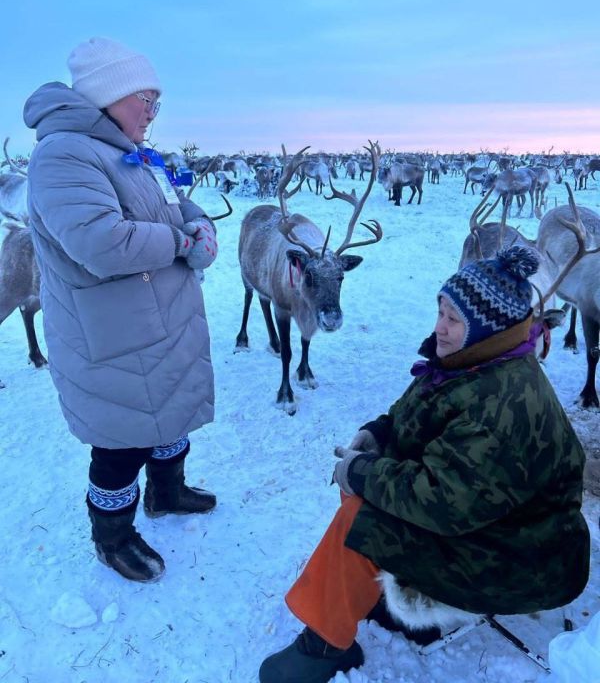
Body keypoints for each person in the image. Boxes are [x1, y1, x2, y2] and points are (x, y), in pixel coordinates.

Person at [259, 246, 591, 683]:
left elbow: (440, 502)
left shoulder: (501, 402)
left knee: (365, 516)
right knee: (378, 480)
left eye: (453, 319)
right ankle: (381, 590)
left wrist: (360, 472)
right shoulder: (477, 363)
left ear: (486, 328)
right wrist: (380, 431)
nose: (440, 328)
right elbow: (422, 410)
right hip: (505, 525)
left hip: (528, 556)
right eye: (440, 312)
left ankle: (322, 644)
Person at [23, 37, 219, 583]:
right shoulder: (63, 154)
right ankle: (112, 537)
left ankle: (167, 492)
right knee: (121, 443)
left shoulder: (127, 154)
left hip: (162, 324)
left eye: (158, 102)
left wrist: (197, 222)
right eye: (144, 100)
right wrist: (182, 244)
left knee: (170, 414)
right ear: (109, 95)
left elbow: (172, 210)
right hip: (115, 337)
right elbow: (100, 242)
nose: (152, 113)